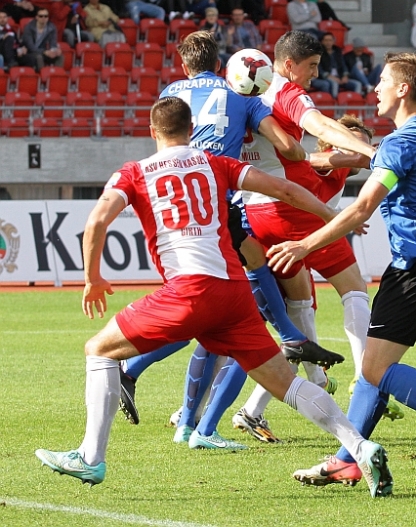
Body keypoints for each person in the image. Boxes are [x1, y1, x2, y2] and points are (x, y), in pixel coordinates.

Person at [34, 97, 393, 498]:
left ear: (152, 131)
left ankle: (90, 457)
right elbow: (283, 189)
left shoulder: (134, 172)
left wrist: (92, 278)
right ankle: (360, 447)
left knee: (99, 350)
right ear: (191, 130)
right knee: (285, 383)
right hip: (234, 293)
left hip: (188, 289)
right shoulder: (215, 163)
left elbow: (98, 219)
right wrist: (333, 217)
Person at [267, 51, 416, 489]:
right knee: (373, 366)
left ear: (403, 89)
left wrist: (304, 245)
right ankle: (347, 460)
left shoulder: (399, 143)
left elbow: (361, 208)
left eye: (384, 81)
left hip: (414, 269)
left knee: (374, 372)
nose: (376, 88)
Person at [116, 32, 345, 435]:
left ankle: (182, 410)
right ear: (222, 65)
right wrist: (304, 153)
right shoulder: (240, 94)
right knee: (217, 311)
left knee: (215, 301)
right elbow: (287, 148)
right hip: (215, 195)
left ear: (184, 66)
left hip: (177, 200)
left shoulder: (171, 93)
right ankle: (284, 342)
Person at [234, 31, 388, 441]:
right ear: (287, 65)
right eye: (312, 66)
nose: (314, 75)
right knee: (354, 288)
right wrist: (371, 152)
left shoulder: (241, 97)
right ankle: (367, 381)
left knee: (296, 308)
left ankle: (299, 385)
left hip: (251, 211)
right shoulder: (284, 92)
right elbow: (318, 126)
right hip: (289, 207)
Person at [311, 31, 359, 97]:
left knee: (357, 84)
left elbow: (343, 65)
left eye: (330, 40)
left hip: (339, 77)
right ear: (322, 42)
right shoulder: (318, 53)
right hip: (324, 77)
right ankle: (334, 101)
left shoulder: (338, 51)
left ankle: (357, 101)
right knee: (334, 84)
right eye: (326, 40)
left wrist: (345, 76)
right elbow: (319, 69)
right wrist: (330, 77)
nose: (328, 42)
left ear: (333, 41)